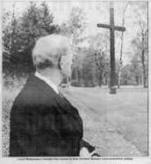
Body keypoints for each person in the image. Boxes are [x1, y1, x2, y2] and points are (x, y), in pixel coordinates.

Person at [9, 34, 98, 157]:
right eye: (70, 57)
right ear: (60, 60)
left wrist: (82, 148)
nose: (72, 61)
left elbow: (65, 137)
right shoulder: (36, 102)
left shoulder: (46, 91)